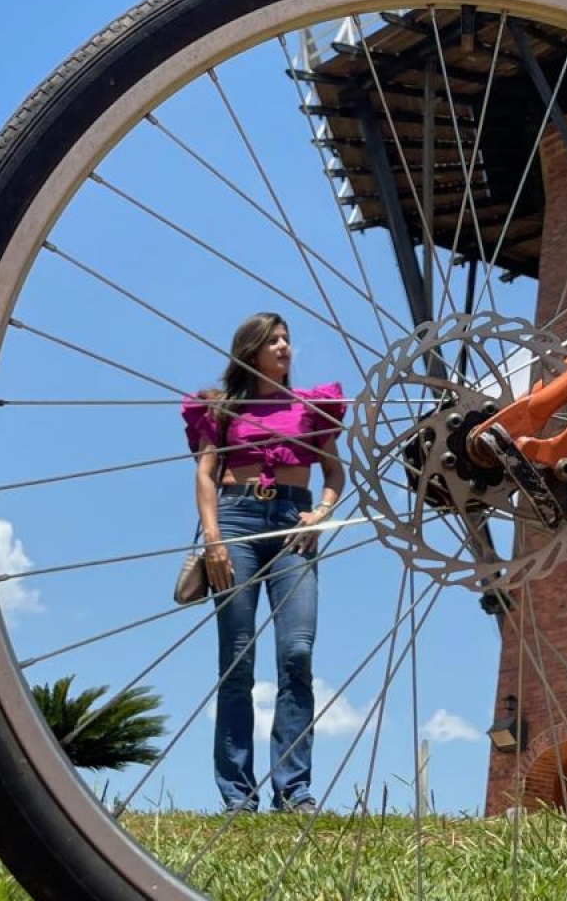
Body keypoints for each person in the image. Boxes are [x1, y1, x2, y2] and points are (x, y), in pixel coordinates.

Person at [181, 311, 345, 814]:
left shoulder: (311, 407)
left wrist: (320, 514)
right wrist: (213, 540)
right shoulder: (224, 408)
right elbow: (206, 474)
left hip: (293, 523)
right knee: (237, 660)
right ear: (250, 349)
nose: (284, 347)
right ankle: (237, 794)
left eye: (287, 339)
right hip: (236, 524)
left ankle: (294, 790)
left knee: (297, 654)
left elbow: (335, 471)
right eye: (273, 340)